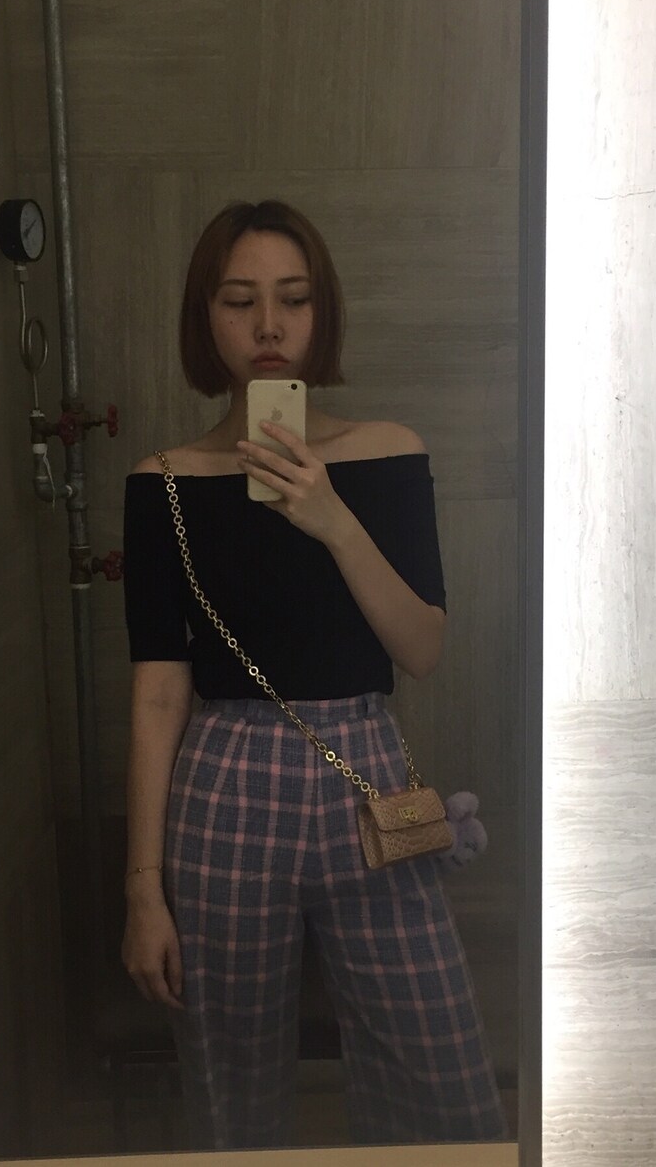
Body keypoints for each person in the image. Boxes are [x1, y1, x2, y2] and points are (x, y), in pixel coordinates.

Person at [121, 199, 507, 1150]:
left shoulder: (388, 452)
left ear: (320, 311)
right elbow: (160, 690)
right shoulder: (165, 480)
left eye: (292, 299)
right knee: (231, 1078)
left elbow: (421, 647)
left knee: (439, 1068)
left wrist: (331, 517)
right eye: (239, 301)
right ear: (205, 319)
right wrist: (142, 889)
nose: (268, 326)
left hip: (363, 768)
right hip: (223, 782)